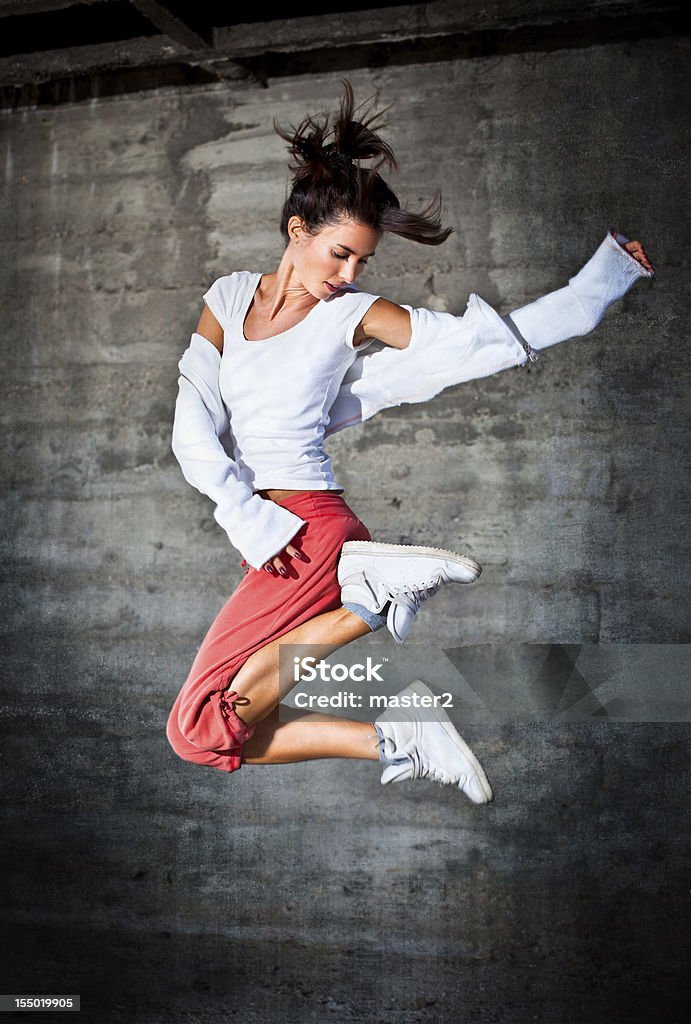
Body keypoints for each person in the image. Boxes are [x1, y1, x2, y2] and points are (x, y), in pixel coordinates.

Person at [165, 82, 653, 803]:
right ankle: (392, 709)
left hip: (306, 526)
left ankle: (368, 612)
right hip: (268, 527)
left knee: (195, 728)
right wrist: (243, 514)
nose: (349, 276)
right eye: (339, 254)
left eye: (361, 262)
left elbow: (469, 346)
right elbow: (192, 418)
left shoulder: (352, 314)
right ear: (297, 230)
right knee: (210, 731)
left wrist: (593, 291)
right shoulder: (229, 295)